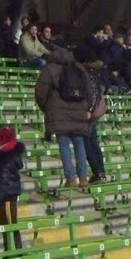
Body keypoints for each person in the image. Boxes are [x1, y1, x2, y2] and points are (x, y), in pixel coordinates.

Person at [35, 44, 94, 188]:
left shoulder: (49, 69)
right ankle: (83, 177)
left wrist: (46, 108)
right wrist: (85, 107)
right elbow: (89, 92)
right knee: (79, 143)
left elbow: (40, 93)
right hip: (79, 111)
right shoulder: (79, 68)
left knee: (64, 145)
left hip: (59, 112)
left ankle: (71, 179)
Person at [0, 124, 27, 252]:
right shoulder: (0, 156)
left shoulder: (2, 159)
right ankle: (9, 249)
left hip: (6, 196)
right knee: (6, 223)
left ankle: (14, 250)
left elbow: (0, 182)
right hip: (5, 195)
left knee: (9, 223)